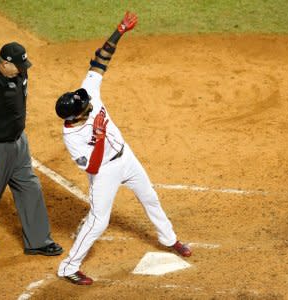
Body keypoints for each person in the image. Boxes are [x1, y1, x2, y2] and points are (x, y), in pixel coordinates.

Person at [55, 12, 192, 286]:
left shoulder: (87, 93)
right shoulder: (72, 137)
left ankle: (169, 238)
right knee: (98, 221)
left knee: (149, 196)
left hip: (126, 157)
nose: (90, 103)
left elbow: (99, 61)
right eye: (85, 107)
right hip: (104, 172)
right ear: (76, 116)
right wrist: (100, 138)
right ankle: (68, 267)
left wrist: (119, 31)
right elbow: (92, 168)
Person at [0, 42, 63, 258]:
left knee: (31, 187)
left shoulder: (19, 72)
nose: (22, 68)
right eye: (18, 65)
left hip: (19, 143)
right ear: (4, 63)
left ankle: (38, 241)